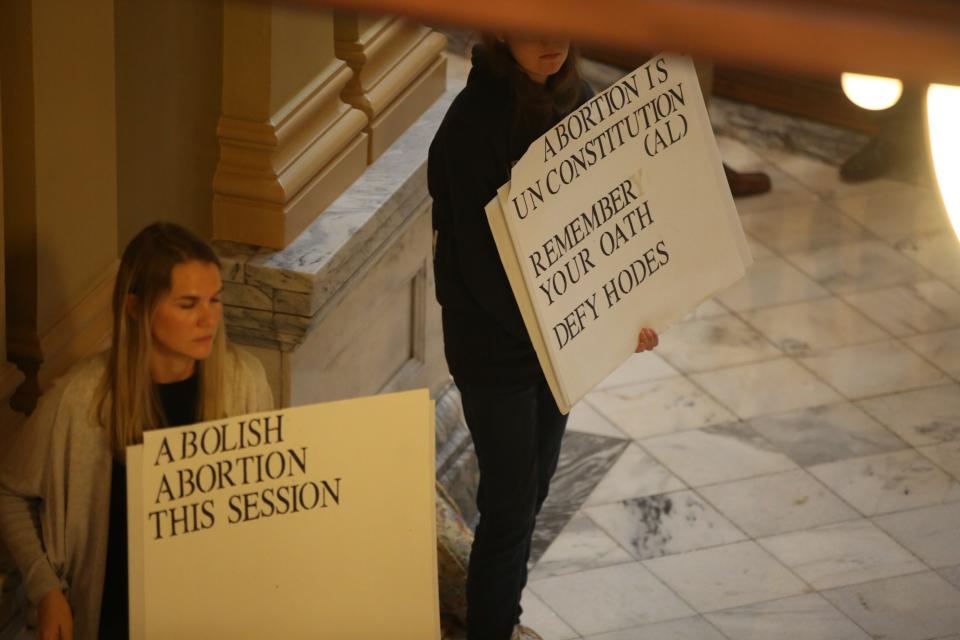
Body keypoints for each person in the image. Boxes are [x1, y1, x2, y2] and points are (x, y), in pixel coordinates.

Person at [428, 36, 659, 640]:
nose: (552, 41)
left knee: (532, 494)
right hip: (496, 349)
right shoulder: (472, 125)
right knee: (507, 510)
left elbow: (607, 216)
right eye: (534, 26)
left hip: (557, 345)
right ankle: (494, 629)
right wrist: (567, 327)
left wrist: (624, 312)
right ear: (503, 30)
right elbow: (478, 269)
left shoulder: (578, 97)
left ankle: (505, 619)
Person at [0, 222, 274, 639]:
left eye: (215, 300)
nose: (209, 319)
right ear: (135, 308)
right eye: (187, 304)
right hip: (115, 620)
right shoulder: (81, 398)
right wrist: (46, 589)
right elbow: (9, 492)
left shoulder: (245, 383)